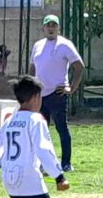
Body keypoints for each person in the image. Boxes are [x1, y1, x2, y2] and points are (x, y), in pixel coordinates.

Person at [29, 14, 85, 172]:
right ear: (43, 28)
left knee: (62, 129)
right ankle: (42, 163)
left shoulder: (65, 45)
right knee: (41, 131)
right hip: (40, 95)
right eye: (48, 25)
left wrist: (71, 88)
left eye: (54, 25)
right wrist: (31, 87)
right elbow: (33, 67)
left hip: (57, 94)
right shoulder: (38, 45)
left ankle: (66, 163)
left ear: (59, 28)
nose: (51, 28)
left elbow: (79, 66)